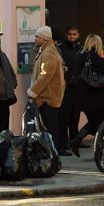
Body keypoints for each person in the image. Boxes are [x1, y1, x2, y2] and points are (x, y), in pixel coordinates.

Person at [27, 26, 69, 156]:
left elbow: (45, 76)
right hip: (46, 97)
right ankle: (51, 155)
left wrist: (32, 92)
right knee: (49, 129)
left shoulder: (49, 53)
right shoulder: (46, 50)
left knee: (51, 130)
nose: (35, 38)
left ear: (44, 39)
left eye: (37, 37)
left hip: (48, 98)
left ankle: (52, 157)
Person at [69, 34, 104, 157]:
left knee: (93, 121)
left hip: (83, 95)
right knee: (102, 124)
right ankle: (100, 153)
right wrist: (102, 58)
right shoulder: (95, 57)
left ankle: (77, 140)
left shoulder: (80, 56)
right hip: (96, 95)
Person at [57, 26, 85, 151]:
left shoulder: (80, 49)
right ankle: (64, 141)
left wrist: (78, 79)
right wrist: (68, 79)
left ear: (78, 35)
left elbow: (84, 68)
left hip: (78, 87)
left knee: (76, 114)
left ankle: (75, 139)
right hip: (66, 86)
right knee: (65, 115)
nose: (72, 36)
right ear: (66, 35)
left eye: (74, 34)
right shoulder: (61, 49)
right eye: (69, 34)